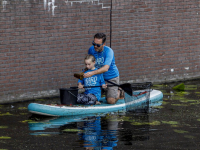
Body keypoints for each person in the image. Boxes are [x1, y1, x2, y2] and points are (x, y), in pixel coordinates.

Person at [84, 33, 124, 104]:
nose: (95, 46)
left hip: (111, 77)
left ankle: (119, 91)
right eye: (94, 43)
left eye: (98, 45)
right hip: (99, 77)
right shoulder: (91, 50)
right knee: (92, 95)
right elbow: (89, 63)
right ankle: (106, 91)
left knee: (110, 101)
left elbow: (105, 68)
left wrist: (92, 73)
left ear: (104, 44)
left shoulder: (109, 51)